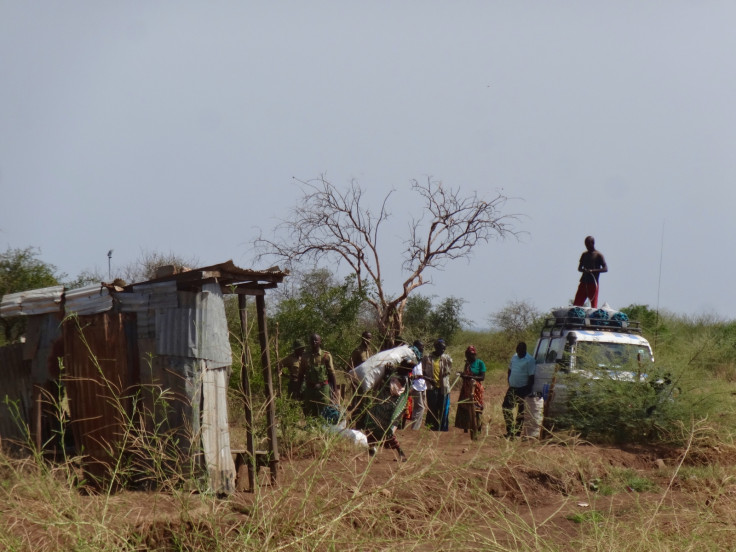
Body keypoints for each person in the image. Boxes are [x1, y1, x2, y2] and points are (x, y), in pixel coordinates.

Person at [359, 357, 414, 461]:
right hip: (382, 405)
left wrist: (387, 375)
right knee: (371, 425)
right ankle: (371, 448)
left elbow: (392, 390)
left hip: (388, 408)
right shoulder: (400, 374)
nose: (400, 366)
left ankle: (400, 453)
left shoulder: (402, 378)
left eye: (403, 365)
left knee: (386, 431)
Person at [297, 333, 337, 418]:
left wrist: (335, 391)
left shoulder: (326, 356)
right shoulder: (305, 356)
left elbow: (332, 374)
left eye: (316, 340)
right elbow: (301, 374)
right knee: (309, 413)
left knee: (324, 412)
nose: (314, 342)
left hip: (323, 389)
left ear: (320, 342)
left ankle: (323, 431)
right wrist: (298, 390)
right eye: (312, 340)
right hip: (309, 389)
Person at [502, 342, 536, 439]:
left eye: (521, 351)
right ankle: (510, 430)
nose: (519, 353)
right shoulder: (514, 357)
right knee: (506, 407)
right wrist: (509, 380)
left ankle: (517, 433)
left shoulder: (530, 360)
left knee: (521, 411)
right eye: (517, 351)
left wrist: (527, 391)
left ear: (525, 350)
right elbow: (510, 370)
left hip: (523, 388)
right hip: (512, 388)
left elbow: (531, 377)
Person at [455, 345, 486, 439]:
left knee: (477, 408)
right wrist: (462, 375)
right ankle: (466, 426)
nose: (469, 356)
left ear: (474, 354)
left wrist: (470, 377)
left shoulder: (480, 363)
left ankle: (478, 427)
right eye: (467, 354)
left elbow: (482, 377)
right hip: (466, 388)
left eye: (471, 354)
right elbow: (466, 374)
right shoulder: (467, 364)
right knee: (465, 407)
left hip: (476, 388)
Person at [422, 338, 453, 431]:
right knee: (432, 407)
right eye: (441, 348)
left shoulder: (446, 358)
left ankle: (442, 427)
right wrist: (429, 379)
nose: (442, 350)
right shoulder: (427, 357)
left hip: (443, 387)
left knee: (443, 408)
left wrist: (447, 372)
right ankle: (432, 426)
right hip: (431, 387)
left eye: (444, 349)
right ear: (436, 347)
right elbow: (422, 371)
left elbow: (449, 370)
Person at [573, 235, 608, 308]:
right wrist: (584, 270)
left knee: (593, 305)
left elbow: (605, 269)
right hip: (584, 282)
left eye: (588, 244)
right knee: (577, 304)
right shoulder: (584, 255)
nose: (586, 246)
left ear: (592, 243)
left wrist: (593, 270)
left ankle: (593, 318)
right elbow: (579, 268)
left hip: (593, 283)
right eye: (585, 244)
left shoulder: (598, 255)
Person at [408, 340, 427, 430]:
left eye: (423, 347)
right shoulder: (412, 357)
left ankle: (414, 427)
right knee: (421, 407)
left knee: (417, 407)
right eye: (420, 347)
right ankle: (415, 428)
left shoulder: (420, 358)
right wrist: (417, 377)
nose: (422, 348)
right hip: (415, 385)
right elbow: (410, 373)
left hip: (422, 385)